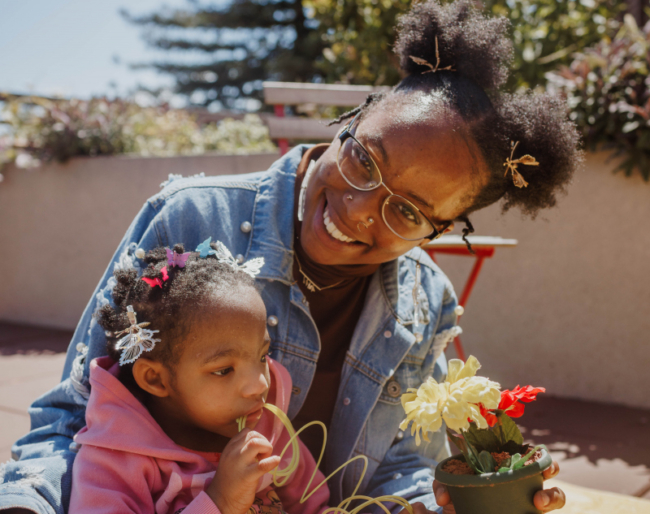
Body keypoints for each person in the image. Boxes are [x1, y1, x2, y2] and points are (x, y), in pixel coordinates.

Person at [0, 1, 580, 513]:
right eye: (363, 161)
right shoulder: (192, 219)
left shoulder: (426, 303)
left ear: (442, 230)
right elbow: (74, 419)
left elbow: (398, 473)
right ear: (348, 124)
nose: (356, 210)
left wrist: (457, 500)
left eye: (407, 212)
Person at [67, 242, 330, 514]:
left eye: (262, 356)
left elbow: (316, 507)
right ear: (155, 379)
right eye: (223, 370)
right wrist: (221, 501)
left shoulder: (268, 430)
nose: (260, 385)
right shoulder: (114, 463)